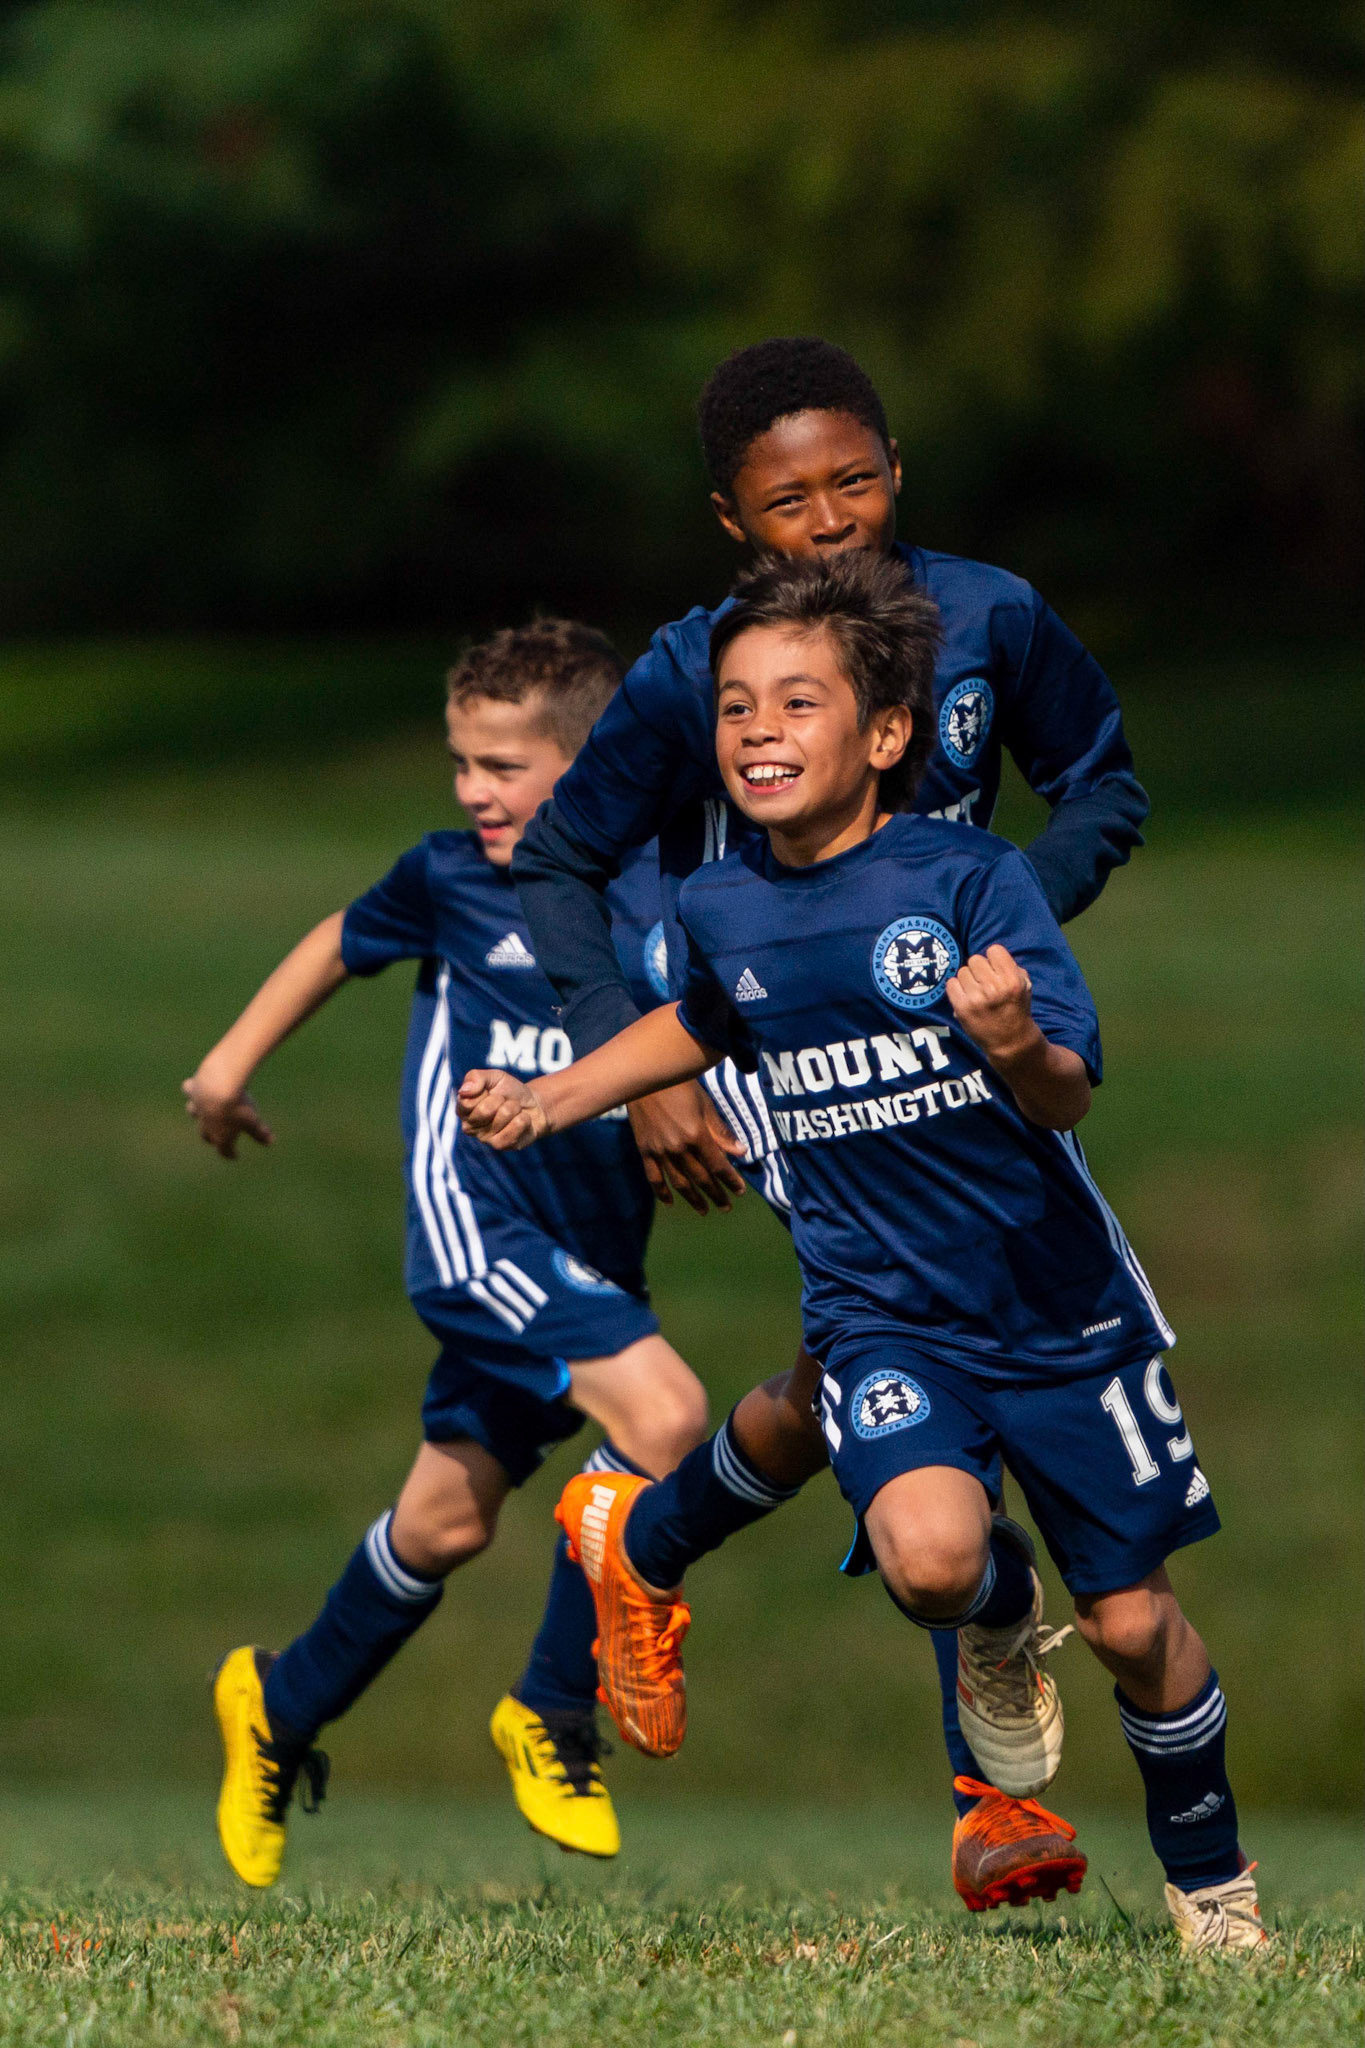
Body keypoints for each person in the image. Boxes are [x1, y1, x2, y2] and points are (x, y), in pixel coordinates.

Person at [460, 552, 1266, 1951]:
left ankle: (1213, 1885)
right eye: (735, 707)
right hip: (880, 1312)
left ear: (888, 734)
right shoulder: (720, 905)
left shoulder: (973, 878)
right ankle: (1001, 1613)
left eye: (798, 703)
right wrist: (555, 1096)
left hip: (1058, 1311)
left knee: (1135, 1628)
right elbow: (699, 1025)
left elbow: (1067, 1092)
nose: (758, 730)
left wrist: (1013, 1041)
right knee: (932, 1563)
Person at [511, 335, 1150, 1900]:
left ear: (896, 473)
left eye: (854, 482)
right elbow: (564, 858)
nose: (829, 519)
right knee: (929, 1325)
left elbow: (1102, 787)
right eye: (787, 502)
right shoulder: (699, 668)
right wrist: (644, 1071)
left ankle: (645, 1541)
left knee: (866, 1363)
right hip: (785, 1049)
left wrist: (994, 924)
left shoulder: (991, 617)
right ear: (732, 521)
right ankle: (990, 1796)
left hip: (967, 1042)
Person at [183, 620, 708, 1886]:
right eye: (462, 762)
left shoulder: (659, 883)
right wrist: (226, 1068)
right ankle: (551, 1707)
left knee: (445, 1519)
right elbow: (336, 940)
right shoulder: (451, 878)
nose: (473, 790)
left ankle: (277, 1703)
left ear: (588, 765)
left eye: (502, 766)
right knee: (667, 1413)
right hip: (479, 1230)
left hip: (592, 1253)